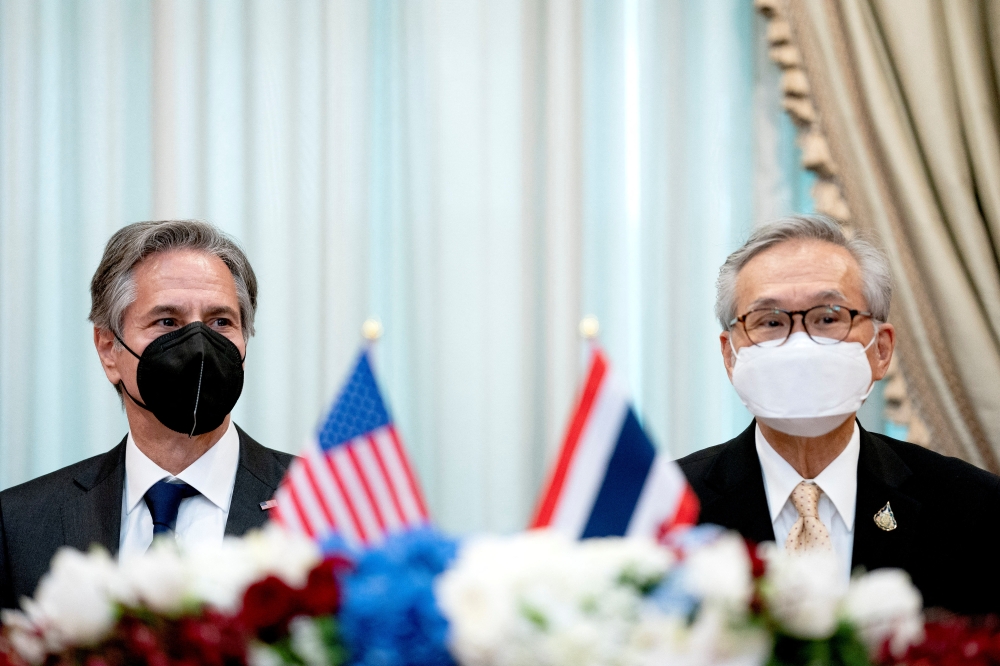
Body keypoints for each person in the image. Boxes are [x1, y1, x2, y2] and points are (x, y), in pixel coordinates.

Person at [677, 214, 1000, 614]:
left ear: (881, 350)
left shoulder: (973, 507)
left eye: (828, 318)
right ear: (730, 355)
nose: (798, 345)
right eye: (770, 321)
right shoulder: (668, 508)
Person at [0, 220, 293, 608]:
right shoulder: (19, 523)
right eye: (167, 322)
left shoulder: (324, 503)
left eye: (220, 322)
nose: (200, 348)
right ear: (108, 350)